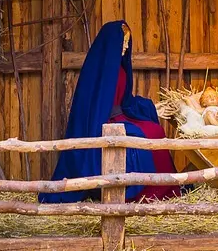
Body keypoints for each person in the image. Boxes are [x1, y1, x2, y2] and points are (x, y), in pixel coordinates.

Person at [39, 21, 179, 203]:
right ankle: (141, 191)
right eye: (123, 41)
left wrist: (145, 106)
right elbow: (94, 104)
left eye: (128, 41)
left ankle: (164, 187)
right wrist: (104, 123)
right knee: (142, 134)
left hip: (120, 116)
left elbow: (124, 99)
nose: (126, 46)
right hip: (103, 122)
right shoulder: (99, 68)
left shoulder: (120, 66)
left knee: (154, 129)